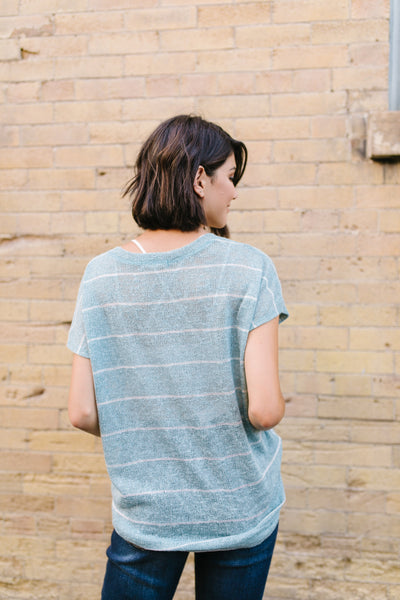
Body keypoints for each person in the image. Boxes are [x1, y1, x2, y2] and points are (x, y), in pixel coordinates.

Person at [67, 114, 288, 600]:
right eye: (230, 178)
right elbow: (266, 410)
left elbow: (82, 411)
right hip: (239, 506)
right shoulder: (250, 268)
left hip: (146, 513)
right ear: (198, 179)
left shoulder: (100, 275)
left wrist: (150, 425)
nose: (234, 193)